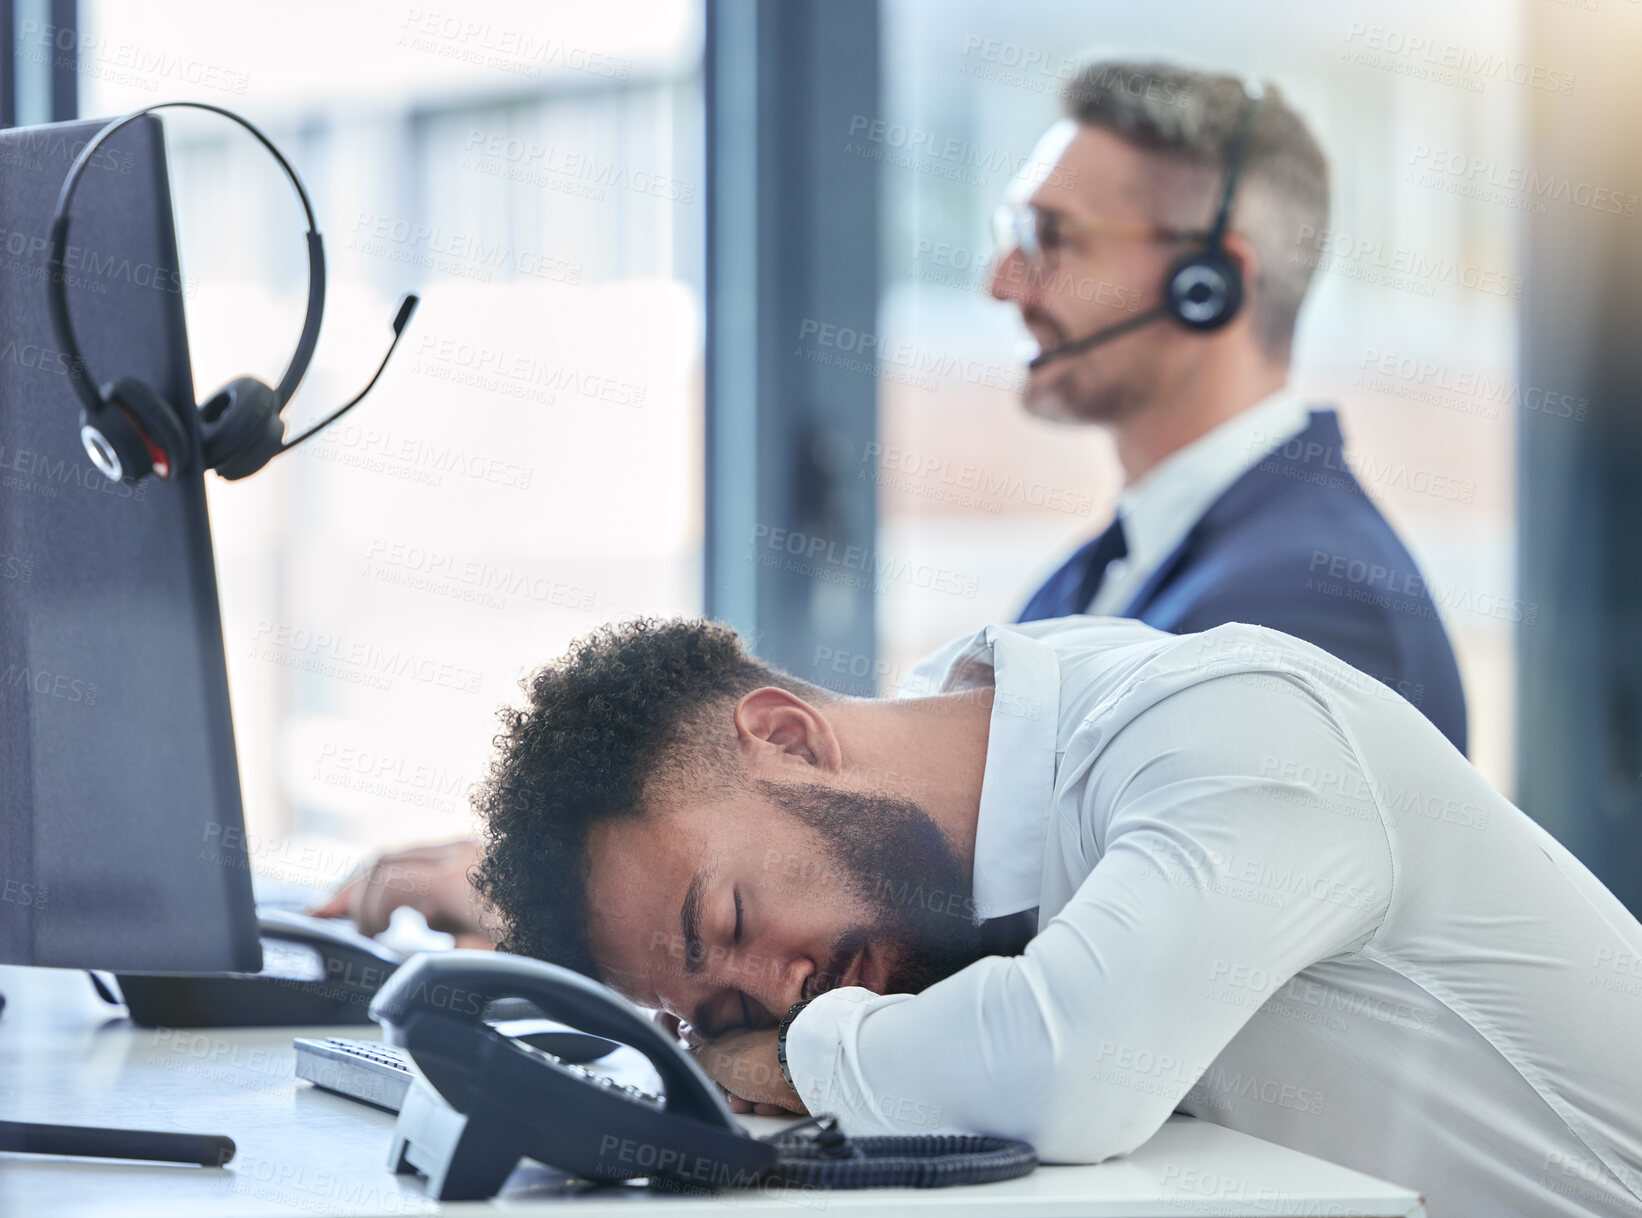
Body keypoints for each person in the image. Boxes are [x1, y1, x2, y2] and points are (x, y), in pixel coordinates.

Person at [321, 616, 1642, 1217]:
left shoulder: (1234, 722)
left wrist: (765, 1059)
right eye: (723, 1004)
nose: (786, 986)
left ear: (786, 733)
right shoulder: (961, 748)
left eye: (729, 914)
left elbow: (1079, 1068)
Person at [991, 60, 1468, 754]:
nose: (1002, 285)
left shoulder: (1309, 610)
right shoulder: (1103, 568)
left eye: (1051, 237)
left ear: (1207, 286)